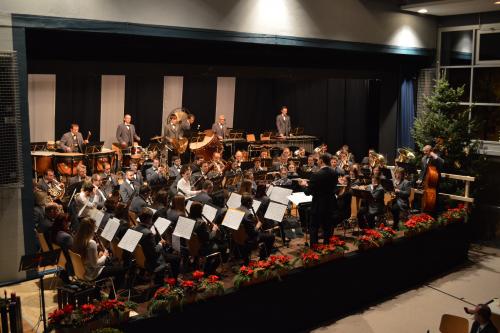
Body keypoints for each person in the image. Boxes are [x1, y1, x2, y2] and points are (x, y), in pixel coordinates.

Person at [72, 217, 126, 288]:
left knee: (110, 265)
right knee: (121, 270)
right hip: (92, 273)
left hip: (81, 271)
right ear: (90, 229)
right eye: (94, 227)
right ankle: (113, 295)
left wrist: (97, 255)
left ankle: (99, 289)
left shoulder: (77, 238)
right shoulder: (91, 243)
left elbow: (86, 257)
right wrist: (104, 255)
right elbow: (95, 264)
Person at [299, 153, 338, 245]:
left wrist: (304, 185)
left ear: (321, 161)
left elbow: (308, 192)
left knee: (314, 227)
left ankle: (314, 246)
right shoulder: (334, 173)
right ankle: (327, 246)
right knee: (328, 226)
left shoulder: (316, 175)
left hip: (318, 204)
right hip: (330, 203)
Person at [134, 208, 181, 279]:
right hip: (152, 261)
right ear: (148, 219)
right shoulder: (148, 233)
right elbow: (155, 251)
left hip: (140, 257)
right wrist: (160, 243)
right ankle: (174, 280)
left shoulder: (135, 228)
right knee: (176, 258)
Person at [238, 193, 275, 264]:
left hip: (238, 238)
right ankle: (263, 258)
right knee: (271, 236)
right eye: (252, 202)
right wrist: (258, 225)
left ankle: (246, 259)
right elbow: (253, 233)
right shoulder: (248, 214)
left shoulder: (236, 209)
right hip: (248, 240)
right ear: (249, 203)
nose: (252, 203)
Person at [188, 202, 223, 274]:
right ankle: (210, 270)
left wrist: (206, 229)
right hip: (202, 248)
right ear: (200, 211)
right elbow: (208, 238)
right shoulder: (201, 223)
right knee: (221, 246)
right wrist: (214, 229)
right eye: (201, 210)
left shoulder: (188, 220)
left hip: (191, 246)